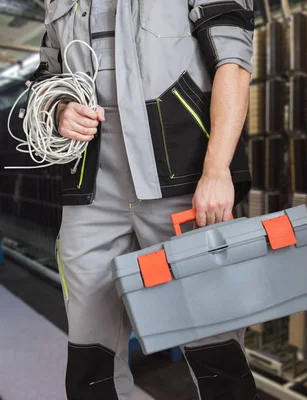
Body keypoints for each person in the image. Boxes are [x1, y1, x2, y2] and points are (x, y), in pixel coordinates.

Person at [35, 0, 255, 398]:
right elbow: (47, 76)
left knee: (215, 347)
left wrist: (218, 169)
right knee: (90, 354)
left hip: (182, 184)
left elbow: (233, 61)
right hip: (92, 191)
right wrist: (61, 110)